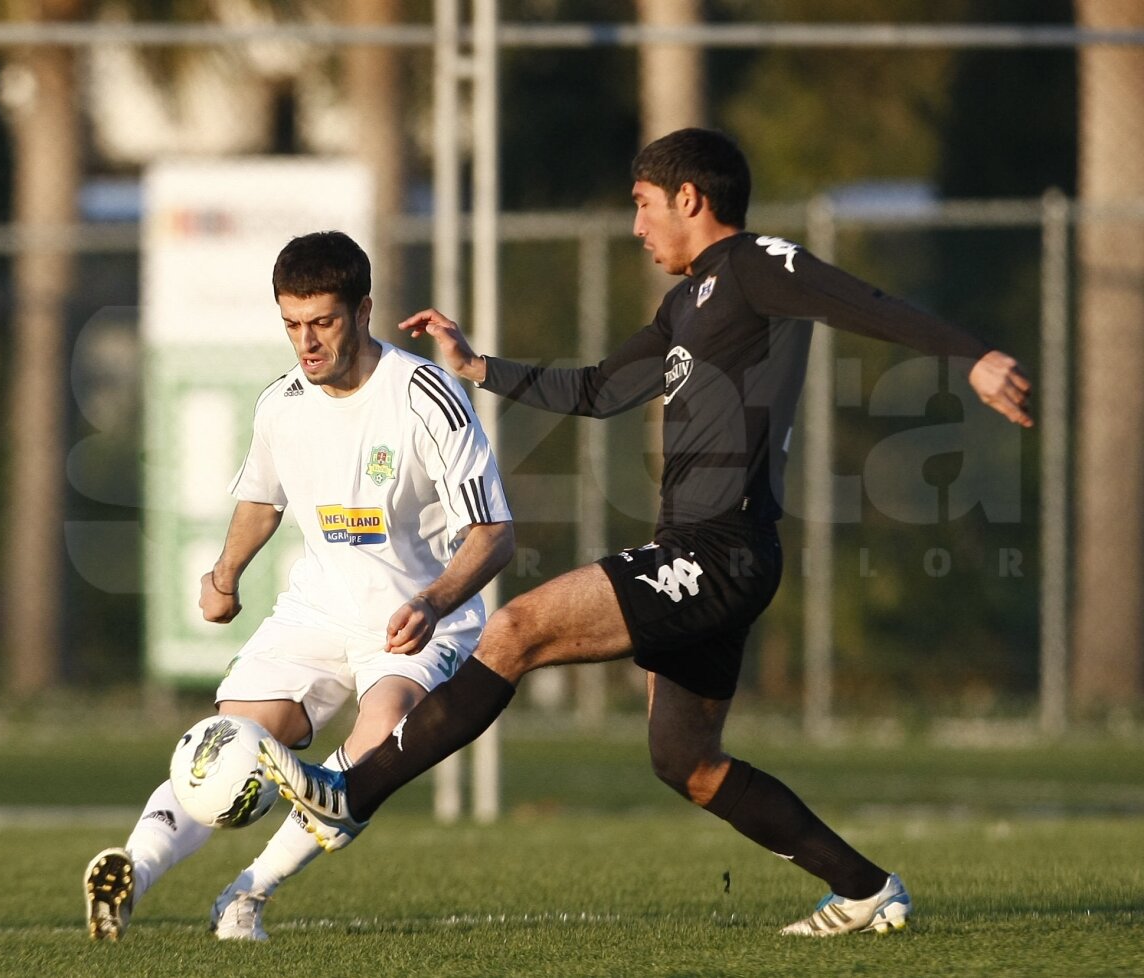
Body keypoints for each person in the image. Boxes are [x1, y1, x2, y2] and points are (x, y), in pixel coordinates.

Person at [258, 129, 1034, 938]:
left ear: (690, 200)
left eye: (642, 206)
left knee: (517, 625)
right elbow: (598, 388)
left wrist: (971, 355)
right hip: (710, 554)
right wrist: (479, 366)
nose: (636, 227)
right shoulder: (686, 300)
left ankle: (353, 791)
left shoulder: (757, 266)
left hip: (717, 550)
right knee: (687, 762)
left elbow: (862, 302)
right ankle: (866, 887)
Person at [83, 231, 514, 942]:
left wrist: (434, 601)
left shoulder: (424, 396)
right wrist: (225, 576)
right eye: (291, 324)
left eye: (322, 322)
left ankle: (247, 895)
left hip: (420, 617)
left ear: (363, 310)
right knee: (232, 743)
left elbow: (494, 532)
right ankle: (131, 874)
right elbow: (262, 499)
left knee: (378, 742)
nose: (306, 343)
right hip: (319, 606)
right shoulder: (282, 402)